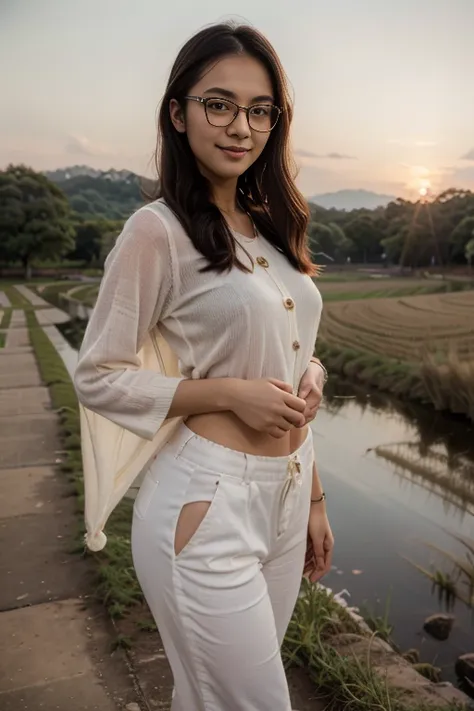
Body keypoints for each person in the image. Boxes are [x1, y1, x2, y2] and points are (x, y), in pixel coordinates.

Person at [74, 21, 334, 711]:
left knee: (207, 697)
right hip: (208, 505)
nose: (240, 126)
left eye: (259, 109)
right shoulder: (155, 230)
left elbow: (294, 351)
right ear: (178, 111)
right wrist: (227, 394)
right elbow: (96, 373)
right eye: (219, 104)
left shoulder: (269, 225)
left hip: (285, 494)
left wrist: (312, 493)